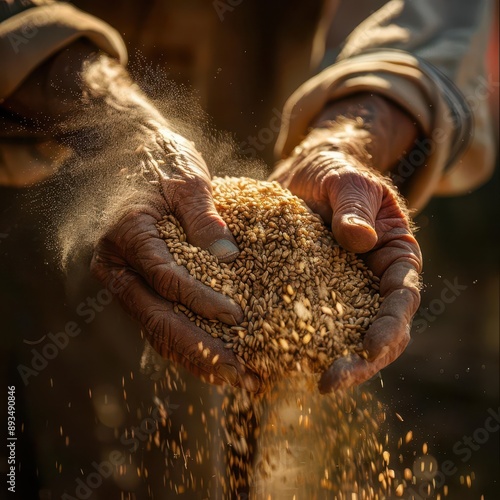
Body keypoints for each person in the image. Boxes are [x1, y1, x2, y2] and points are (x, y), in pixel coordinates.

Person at [0, 0, 496, 497]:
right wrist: (118, 129)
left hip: (266, 114)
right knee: (45, 434)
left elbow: (429, 12)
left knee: (229, 421)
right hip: (35, 145)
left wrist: (346, 140)